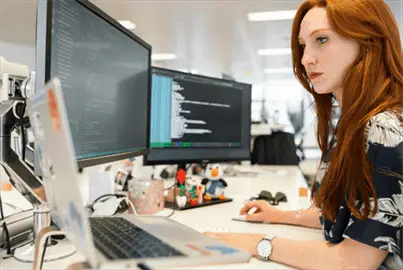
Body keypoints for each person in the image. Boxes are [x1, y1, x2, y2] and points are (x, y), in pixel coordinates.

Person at [205, 0, 403, 269]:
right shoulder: (352, 124)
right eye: (302, 45)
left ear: (368, 41)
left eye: (321, 39)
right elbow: (347, 214)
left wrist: (255, 243)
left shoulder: (384, 128)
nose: (305, 58)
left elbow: (354, 261)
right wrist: (278, 216)